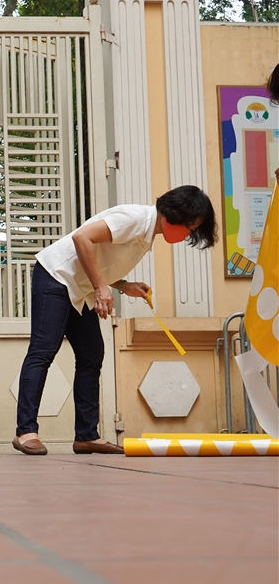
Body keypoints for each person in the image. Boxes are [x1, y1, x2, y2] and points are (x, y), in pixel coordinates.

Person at [13, 186, 217, 456]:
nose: (188, 234)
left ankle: (86, 435)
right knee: (43, 351)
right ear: (175, 213)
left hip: (80, 287)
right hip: (56, 277)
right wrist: (100, 287)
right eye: (190, 227)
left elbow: (100, 259)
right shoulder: (134, 219)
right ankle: (25, 431)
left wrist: (122, 284)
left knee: (91, 355)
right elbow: (82, 238)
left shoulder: (146, 234)